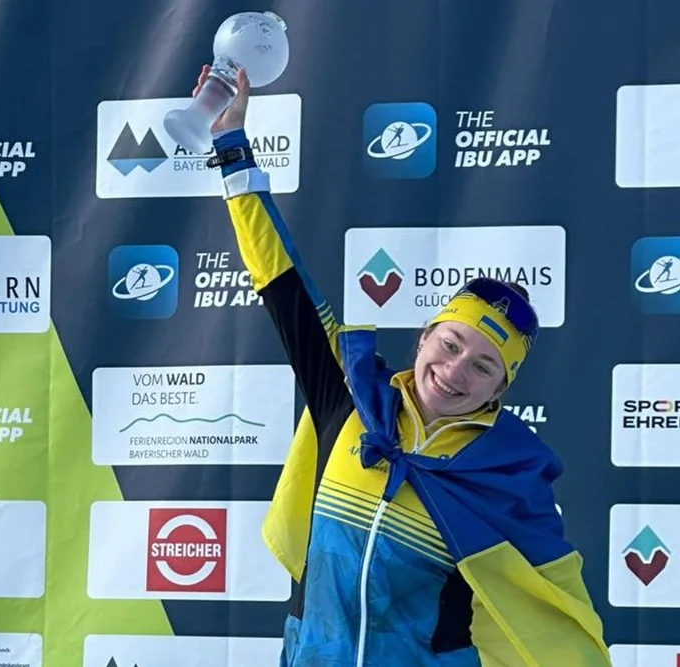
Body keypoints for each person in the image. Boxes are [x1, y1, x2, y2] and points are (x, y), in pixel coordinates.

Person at [193, 64, 612, 667]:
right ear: (424, 337)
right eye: (451, 344)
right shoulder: (351, 398)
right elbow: (282, 281)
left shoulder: (509, 473)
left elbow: (556, 619)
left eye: (484, 366)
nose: (455, 371)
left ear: (502, 387)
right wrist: (231, 146)